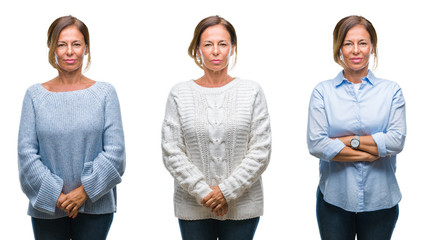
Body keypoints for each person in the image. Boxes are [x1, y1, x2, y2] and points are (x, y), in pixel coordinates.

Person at [161, 15, 271, 240]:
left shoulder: (251, 91)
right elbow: (171, 151)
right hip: (193, 207)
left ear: (232, 47)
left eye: (222, 44)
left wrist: (226, 191)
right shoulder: (179, 93)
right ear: (197, 49)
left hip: (242, 207)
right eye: (208, 44)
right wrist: (205, 192)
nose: (216, 51)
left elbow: (261, 151)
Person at [18, 15, 125, 240]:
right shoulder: (34, 96)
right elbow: (27, 155)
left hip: (96, 206)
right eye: (61, 44)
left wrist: (83, 192)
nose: (69, 51)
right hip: (47, 207)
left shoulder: (105, 93)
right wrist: (56, 195)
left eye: (76, 44)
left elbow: (115, 153)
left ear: (86, 47)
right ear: (51, 48)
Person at [307, 15, 406, 240]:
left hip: (381, 201)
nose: (356, 50)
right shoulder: (323, 92)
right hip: (334, 201)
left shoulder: (391, 91)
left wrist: (344, 141)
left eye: (362, 43)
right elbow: (316, 144)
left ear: (372, 47)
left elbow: (396, 141)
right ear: (339, 48)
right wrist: (372, 152)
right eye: (348, 43)